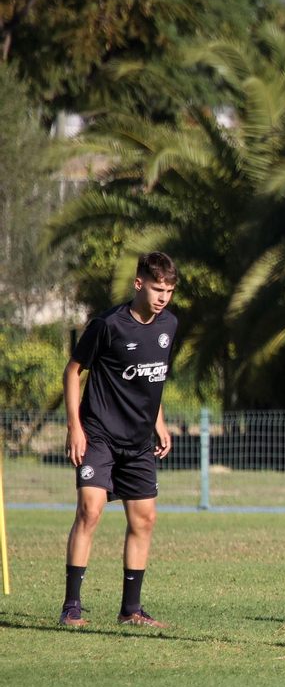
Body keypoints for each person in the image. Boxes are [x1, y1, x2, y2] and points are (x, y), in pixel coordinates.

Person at [60, 252, 180, 628]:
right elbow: (73, 371)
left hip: (139, 441)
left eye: (170, 291)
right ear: (139, 283)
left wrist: (158, 421)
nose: (163, 297)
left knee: (144, 519)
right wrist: (74, 427)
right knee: (90, 510)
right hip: (99, 434)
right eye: (158, 289)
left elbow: (150, 378)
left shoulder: (170, 325)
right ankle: (72, 606)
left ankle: (131, 609)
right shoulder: (109, 324)